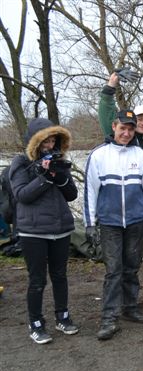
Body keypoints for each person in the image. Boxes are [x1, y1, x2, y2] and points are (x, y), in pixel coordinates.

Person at [84, 110, 143, 340]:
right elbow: (90, 191)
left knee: (131, 266)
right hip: (109, 223)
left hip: (135, 221)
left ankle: (130, 307)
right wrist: (90, 223)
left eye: (131, 129)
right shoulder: (98, 155)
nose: (127, 133)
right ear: (114, 126)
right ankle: (109, 317)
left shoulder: (140, 156)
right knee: (113, 270)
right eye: (123, 128)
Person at [98, 72, 143, 307]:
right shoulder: (122, 139)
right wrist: (111, 86)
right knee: (126, 256)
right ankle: (122, 298)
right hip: (124, 208)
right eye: (140, 118)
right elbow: (106, 113)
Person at [9, 118, 79, 344]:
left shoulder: (58, 162)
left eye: (53, 141)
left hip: (60, 229)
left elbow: (72, 195)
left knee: (60, 276)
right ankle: (36, 322)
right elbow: (22, 195)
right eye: (45, 141)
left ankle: (63, 316)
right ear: (36, 142)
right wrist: (44, 177)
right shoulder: (20, 163)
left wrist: (58, 175)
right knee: (37, 279)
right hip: (33, 232)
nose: (50, 145)